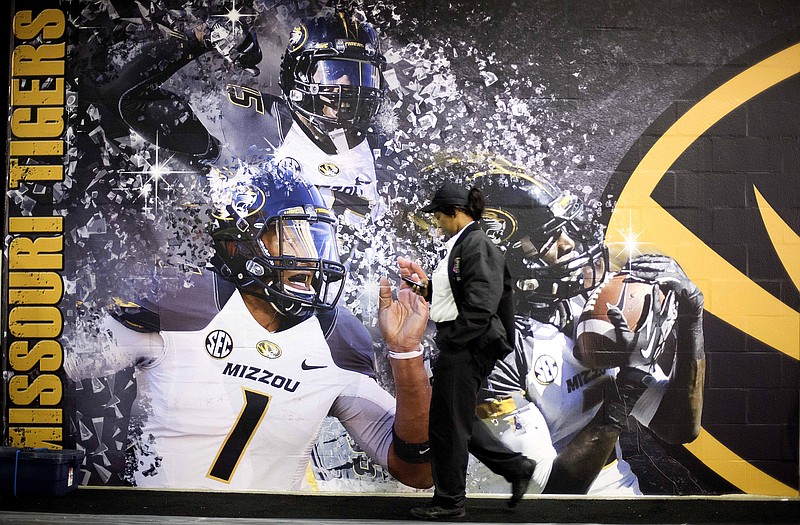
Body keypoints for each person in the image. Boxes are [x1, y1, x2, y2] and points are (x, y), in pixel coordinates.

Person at [65, 164, 433, 491]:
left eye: (314, 239)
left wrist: (406, 352)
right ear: (237, 244)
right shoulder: (181, 305)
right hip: (161, 521)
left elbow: (419, 471)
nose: (308, 257)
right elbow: (61, 363)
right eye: (290, 236)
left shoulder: (334, 335)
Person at [468, 161, 705, 495]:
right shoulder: (491, 347)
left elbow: (679, 426)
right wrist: (622, 397)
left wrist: (691, 322)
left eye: (567, 229)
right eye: (547, 237)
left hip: (617, 493)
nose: (570, 244)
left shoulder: (586, 304)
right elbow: (546, 492)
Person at [397, 182, 535, 520]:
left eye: (439, 216)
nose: (437, 223)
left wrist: (450, 340)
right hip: (466, 343)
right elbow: (457, 298)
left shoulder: (477, 245)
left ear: (454, 212)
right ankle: (516, 467)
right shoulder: (463, 244)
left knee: (448, 426)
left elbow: (480, 306)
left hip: (469, 345)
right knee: (454, 420)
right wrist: (424, 289)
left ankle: (450, 502)